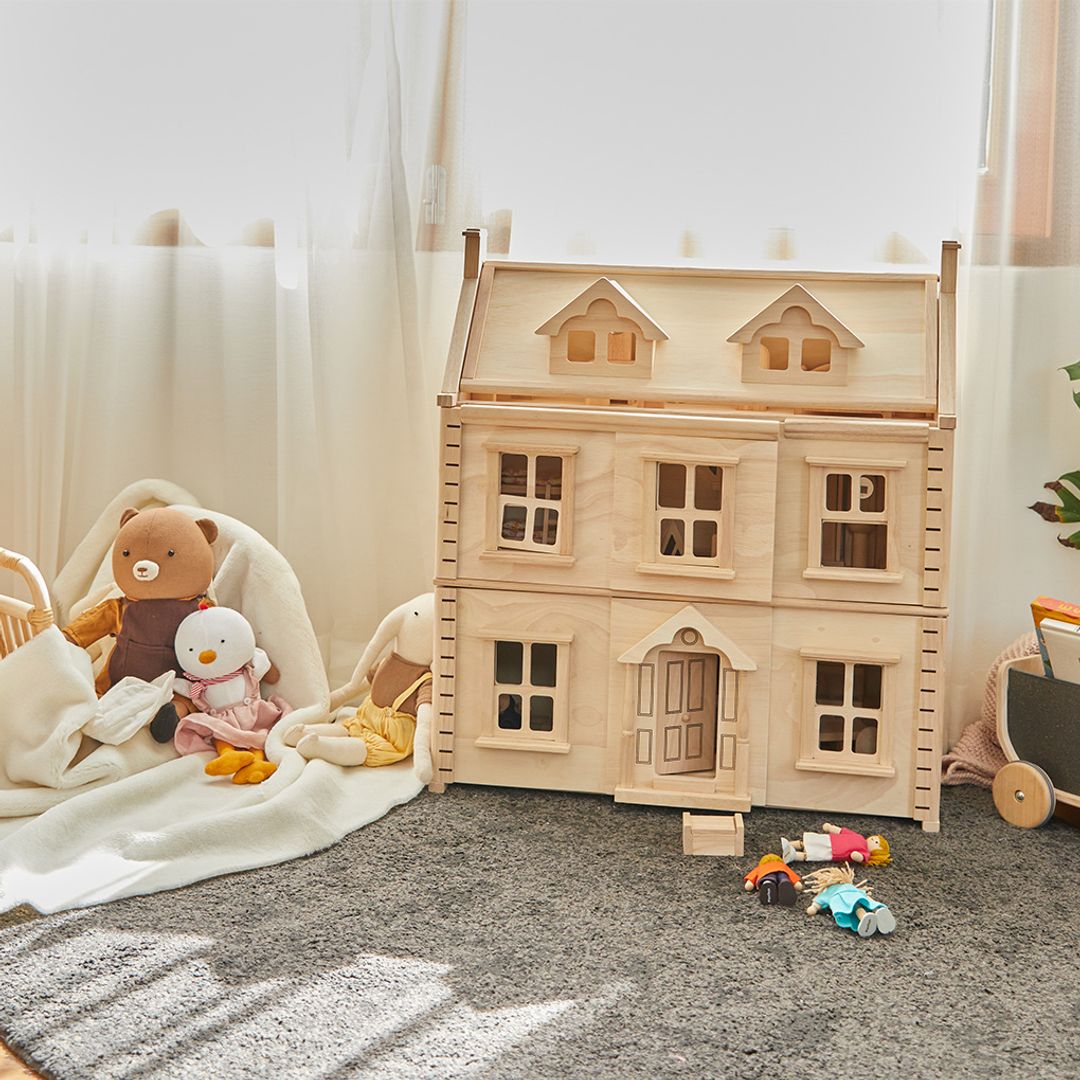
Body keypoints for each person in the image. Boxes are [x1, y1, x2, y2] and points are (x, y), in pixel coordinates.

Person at [803, 864, 897, 938]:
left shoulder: (829, 890)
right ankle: (878, 911)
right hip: (857, 894)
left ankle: (866, 918)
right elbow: (864, 893)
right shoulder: (849, 885)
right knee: (868, 903)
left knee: (856, 908)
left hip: (843, 898)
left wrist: (813, 907)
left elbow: (819, 901)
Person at [780, 823, 891, 866]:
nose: (873, 840)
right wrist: (831, 828)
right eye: (876, 839)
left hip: (833, 852)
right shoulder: (859, 837)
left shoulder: (866, 853)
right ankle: (790, 844)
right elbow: (843, 832)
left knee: (814, 853)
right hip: (830, 839)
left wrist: (857, 856)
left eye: (876, 842)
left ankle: (794, 856)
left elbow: (860, 858)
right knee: (810, 842)